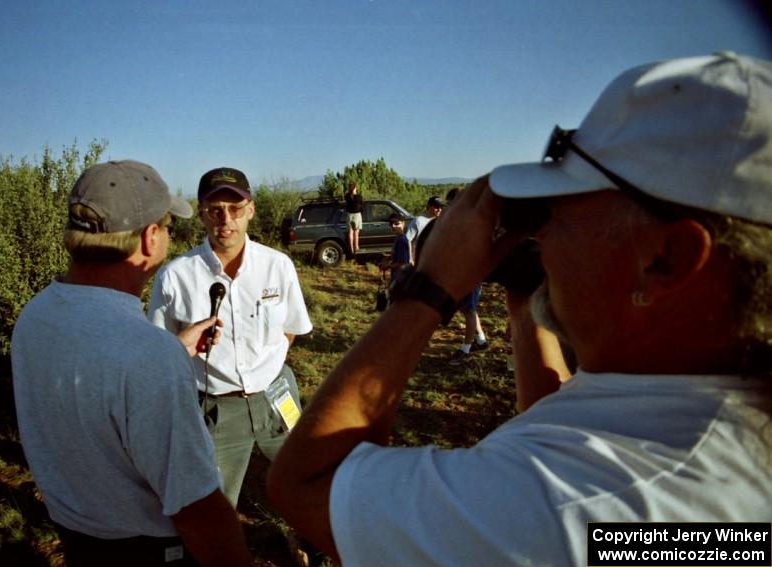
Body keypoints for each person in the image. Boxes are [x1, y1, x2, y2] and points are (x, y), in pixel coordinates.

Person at [268, 52, 772, 566]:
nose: (541, 236)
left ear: (665, 259)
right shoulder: (704, 419)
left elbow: (308, 486)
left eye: (558, 212)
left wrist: (429, 287)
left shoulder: (566, 506)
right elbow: (560, 422)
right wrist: (527, 299)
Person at [11, 160, 251, 566]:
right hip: (147, 549)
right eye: (168, 227)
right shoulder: (145, 353)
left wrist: (174, 349)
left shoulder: (35, 316)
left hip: (78, 536)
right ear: (149, 238)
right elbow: (197, 510)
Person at [148, 166, 313, 509]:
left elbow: (290, 329)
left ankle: (309, 542)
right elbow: (161, 350)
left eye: (235, 208)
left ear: (250, 210)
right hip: (217, 408)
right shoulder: (175, 276)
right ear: (202, 216)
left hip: (276, 395)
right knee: (216, 503)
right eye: (215, 209)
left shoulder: (277, 266)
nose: (227, 219)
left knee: (304, 477)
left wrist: (265, 368)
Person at [445, 187, 489, 365]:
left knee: (469, 310)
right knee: (466, 308)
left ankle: (465, 349)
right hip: (461, 272)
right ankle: (481, 340)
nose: (450, 207)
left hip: (470, 272)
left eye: (451, 203)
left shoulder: (472, 220)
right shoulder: (462, 219)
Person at [405, 195, 443, 263]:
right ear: (429, 206)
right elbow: (408, 240)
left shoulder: (441, 221)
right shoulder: (418, 221)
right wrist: (410, 258)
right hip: (420, 261)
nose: (439, 209)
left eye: (441, 207)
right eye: (437, 207)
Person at [378, 212, 410, 278]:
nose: (393, 226)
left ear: (403, 223)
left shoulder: (402, 240)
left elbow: (403, 264)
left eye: (396, 223)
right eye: (391, 224)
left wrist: (387, 266)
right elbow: (398, 256)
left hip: (402, 278)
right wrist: (388, 258)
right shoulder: (398, 238)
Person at [344, 182, 363, 256]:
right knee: (356, 233)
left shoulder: (347, 196)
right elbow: (361, 206)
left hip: (349, 215)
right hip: (357, 215)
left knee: (350, 232)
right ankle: (356, 247)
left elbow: (347, 199)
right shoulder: (359, 197)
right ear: (355, 188)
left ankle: (351, 248)